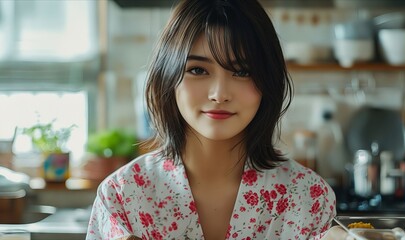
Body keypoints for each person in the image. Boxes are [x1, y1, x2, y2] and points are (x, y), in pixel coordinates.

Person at [86, 0, 344, 239]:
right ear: (167, 78)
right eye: (197, 70)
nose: (219, 94)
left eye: (242, 71)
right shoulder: (122, 195)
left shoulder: (310, 197)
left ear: (269, 82)